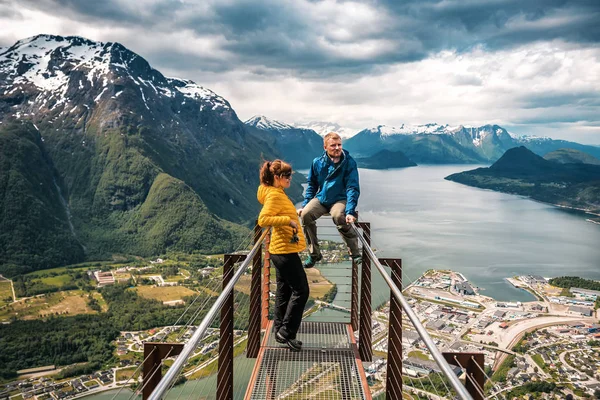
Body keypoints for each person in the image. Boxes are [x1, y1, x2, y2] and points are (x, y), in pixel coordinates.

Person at [257, 159, 309, 352]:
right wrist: (288, 220)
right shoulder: (275, 196)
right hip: (285, 251)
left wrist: (291, 215)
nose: (289, 178)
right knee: (302, 291)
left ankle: (281, 332)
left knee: (284, 291)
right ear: (277, 178)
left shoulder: (275, 192)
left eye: (290, 175)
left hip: (280, 250)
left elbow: (277, 213)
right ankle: (286, 331)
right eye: (287, 176)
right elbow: (263, 219)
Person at [298, 132, 361, 269]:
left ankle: (354, 252)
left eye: (339, 145)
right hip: (322, 198)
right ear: (325, 147)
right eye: (333, 145)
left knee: (338, 215)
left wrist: (350, 211)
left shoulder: (349, 163)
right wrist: (305, 204)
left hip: (340, 199)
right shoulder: (317, 163)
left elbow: (352, 187)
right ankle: (314, 254)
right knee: (306, 214)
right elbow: (312, 185)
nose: (337, 148)